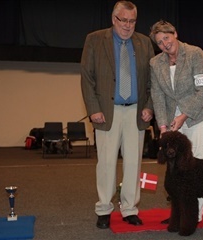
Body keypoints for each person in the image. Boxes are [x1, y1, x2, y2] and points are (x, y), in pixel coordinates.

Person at [80, 1, 155, 229]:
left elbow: (153, 81)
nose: (128, 26)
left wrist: (150, 107)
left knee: (134, 163)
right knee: (106, 163)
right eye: (124, 20)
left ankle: (129, 208)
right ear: (114, 19)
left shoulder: (144, 43)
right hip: (106, 112)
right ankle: (104, 209)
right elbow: (87, 76)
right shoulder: (94, 39)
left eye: (132, 21)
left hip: (136, 112)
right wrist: (93, 108)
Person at [149, 20, 203, 222]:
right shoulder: (155, 63)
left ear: (175, 34)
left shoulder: (195, 53)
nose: (164, 45)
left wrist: (184, 115)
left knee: (194, 164)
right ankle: (178, 213)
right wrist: (163, 126)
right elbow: (158, 96)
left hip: (199, 115)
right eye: (159, 42)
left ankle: (193, 216)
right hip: (172, 121)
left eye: (166, 38)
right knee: (175, 169)